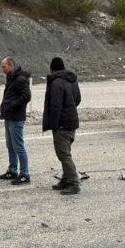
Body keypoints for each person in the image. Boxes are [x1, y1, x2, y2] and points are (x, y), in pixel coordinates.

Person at [43, 56, 82, 195]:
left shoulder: (56, 82)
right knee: (65, 153)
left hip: (62, 125)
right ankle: (66, 179)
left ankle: (74, 183)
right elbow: (77, 99)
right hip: (71, 122)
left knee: (64, 155)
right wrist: (70, 109)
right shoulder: (71, 79)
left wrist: (54, 124)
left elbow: (55, 106)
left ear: (52, 69)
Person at [0, 57, 31, 184]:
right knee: (10, 145)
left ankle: (24, 174)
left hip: (16, 117)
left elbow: (27, 96)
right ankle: (12, 170)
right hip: (9, 116)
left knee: (18, 146)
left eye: (4, 67)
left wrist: (12, 105)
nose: (2, 69)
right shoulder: (11, 77)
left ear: (11, 66)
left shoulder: (20, 79)